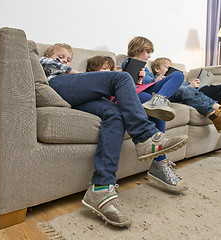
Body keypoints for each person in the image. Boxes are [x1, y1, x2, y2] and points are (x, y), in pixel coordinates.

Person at [40, 43, 189, 228]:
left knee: (115, 114)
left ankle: (101, 188)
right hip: (59, 86)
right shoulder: (46, 64)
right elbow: (60, 68)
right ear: (49, 55)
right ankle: (145, 136)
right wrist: (89, 75)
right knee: (122, 77)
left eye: (69, 59)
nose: (65, 60)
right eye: (60, 56)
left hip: (77, 98)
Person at [87, 54, 186, 190]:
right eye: (105, 68)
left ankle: (158, 100)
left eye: (110, 69)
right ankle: (160, 162)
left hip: (139, 88)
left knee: (179, 76)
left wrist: (138, 79)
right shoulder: (93, 83)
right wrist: (115, 77)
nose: (109, 72)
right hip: (128, 94)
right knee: (155, 109)